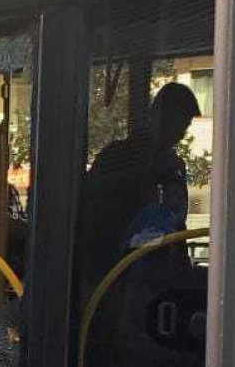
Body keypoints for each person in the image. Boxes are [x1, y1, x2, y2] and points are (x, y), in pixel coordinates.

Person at [78, 82, 201, 290]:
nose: (182, 134)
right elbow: (94, 214)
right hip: (113, 275)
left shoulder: (173, 167)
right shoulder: (117, 159)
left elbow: (175, 222)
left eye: (186, 126)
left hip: (156, 272)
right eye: (180, 123)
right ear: (160, 117)